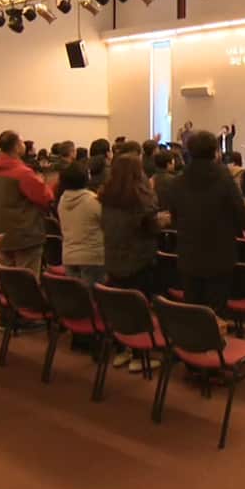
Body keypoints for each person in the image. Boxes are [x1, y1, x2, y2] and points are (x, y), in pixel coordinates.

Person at [168, 131, 245, 316]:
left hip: (188, 251)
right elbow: (240, 212)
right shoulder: (224, 177)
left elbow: (174, 215)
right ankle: (214, 342)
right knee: (217, 310)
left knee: (193, 308)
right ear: (216, 151)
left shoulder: (179, 179)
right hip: (219, 253)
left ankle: (195, 343)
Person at [100, 153, 161, 371]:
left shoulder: (106, 195)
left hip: (113, 257)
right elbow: (152, 229)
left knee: (120, 305)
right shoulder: (141, 198)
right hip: (138, 259)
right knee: (138, 307)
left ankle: (121, 350)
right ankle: (138, 355)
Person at [0, 130, 54, 272]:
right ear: (17, 147)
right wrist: (42, 183)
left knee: (10, 283)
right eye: (22, 142)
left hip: (1, 234)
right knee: (27, 283)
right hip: (25, 236)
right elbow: (45, 197)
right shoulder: (22, 173)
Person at [57, 161, 105, 288]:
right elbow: (106, 223)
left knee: (79, 300)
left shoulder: (63, 199)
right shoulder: (93, 201)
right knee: (94, 299)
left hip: (68, 255)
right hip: (92, 257)